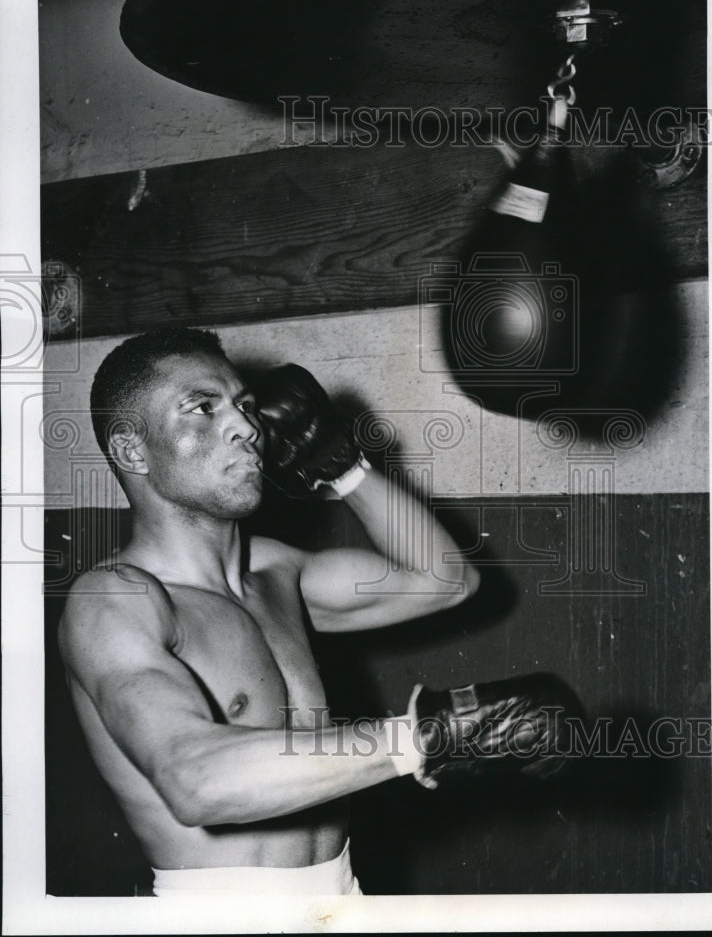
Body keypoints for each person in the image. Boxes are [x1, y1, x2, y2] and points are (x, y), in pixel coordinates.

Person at [58, 326, 576, 898]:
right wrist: (427, 737)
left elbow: (445, 580)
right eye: (202, 408)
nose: (246, 427)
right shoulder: (114, 600)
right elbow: (195, 779)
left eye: (245, 406)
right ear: (133, 449)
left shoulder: (278, 574)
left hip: (343, 894)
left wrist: (344, 466)